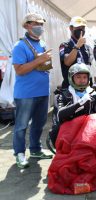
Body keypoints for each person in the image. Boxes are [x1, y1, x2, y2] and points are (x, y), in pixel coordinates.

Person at [12, 13, 53, 168]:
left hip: (42, 91)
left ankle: (35, 149)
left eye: (41, 24)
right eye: (36, 23)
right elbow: (19, 70)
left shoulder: (41, 43)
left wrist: (45, 62)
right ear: (27, 25)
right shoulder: (20, 46)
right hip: (26, 94)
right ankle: (19, 153)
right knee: (21, 125)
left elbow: (43, 65)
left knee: (39, 123)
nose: (39, 27)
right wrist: (39, 60)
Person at [48, 63, 96, 152]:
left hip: (89, 132)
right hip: (68, 132)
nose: (82, 80)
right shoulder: (63, 95)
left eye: (84, 77)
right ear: (71, 78)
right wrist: (80, 102)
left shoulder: (94, 94)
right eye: (78, 77)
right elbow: (60, 115)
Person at [59, 16, 93, 89]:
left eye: (83, 28)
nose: (81, 30)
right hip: (70, 87)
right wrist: (77, 46)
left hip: (86, 87)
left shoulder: (87, 47)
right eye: (78, 28)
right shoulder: (65, 45)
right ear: (71, 28)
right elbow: (67, 62)